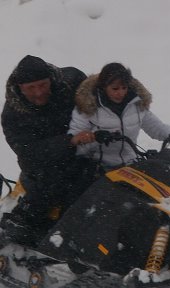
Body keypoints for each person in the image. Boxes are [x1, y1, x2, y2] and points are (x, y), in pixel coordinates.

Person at [0, 55, 97, 247]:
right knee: (61, 178)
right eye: (31, 88)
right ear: (20, 88)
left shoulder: (71, 81)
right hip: (42, 164)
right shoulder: (13, 114)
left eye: (42, 85)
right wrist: (69, 141)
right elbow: (29, 152)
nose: (38, 93)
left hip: (87, 150)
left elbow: (104, 92)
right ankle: (23, 220)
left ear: (51, 80)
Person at [68, 62, 170, 169]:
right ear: (103, 87)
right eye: (115, 89)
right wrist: (95, 138)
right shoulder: (88, 107)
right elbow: (74, 141)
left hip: (130, 165)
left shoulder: (136, 105)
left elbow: (157, 128)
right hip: (98, 166)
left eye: (124, 88)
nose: (120, 93)